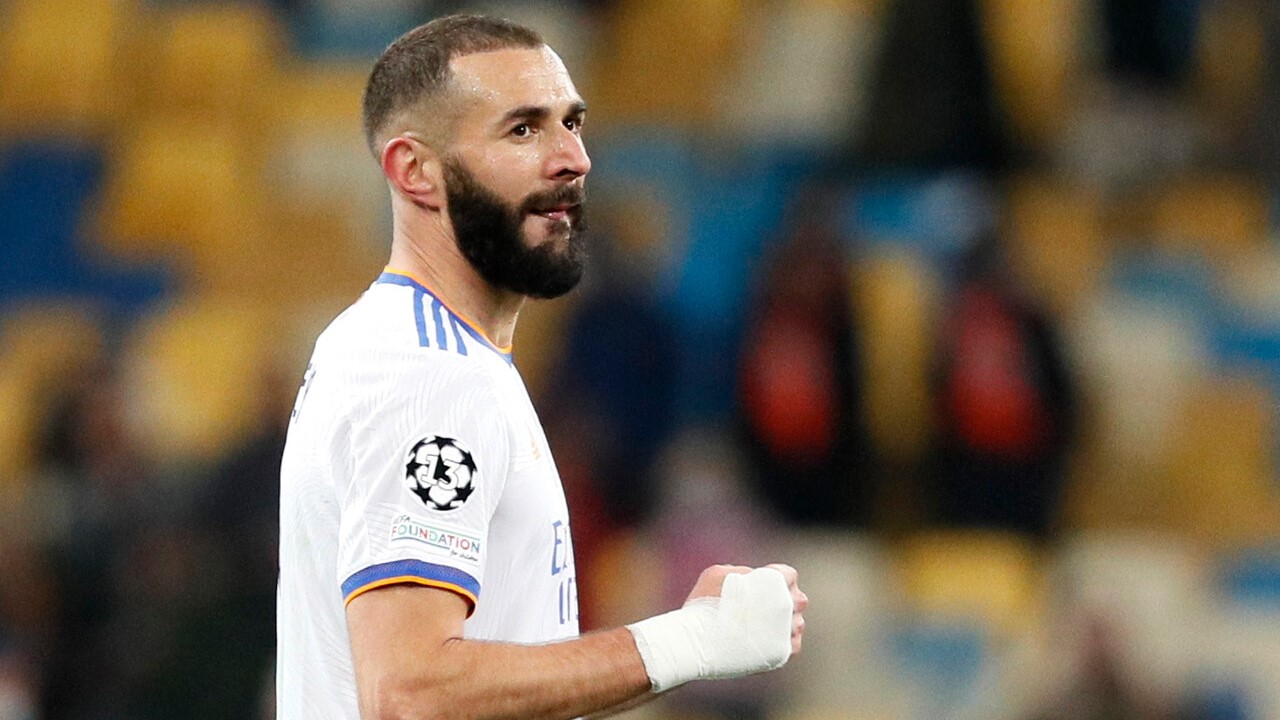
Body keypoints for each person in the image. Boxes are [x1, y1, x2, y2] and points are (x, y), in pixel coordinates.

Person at [276, 14, 807, 720]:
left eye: (572, 124)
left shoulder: (430, 351)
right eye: (523, 129)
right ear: (415, 170)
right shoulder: (425, 372)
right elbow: (409, 691)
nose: (573, 159)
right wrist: (692, 640)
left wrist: (691, 642)